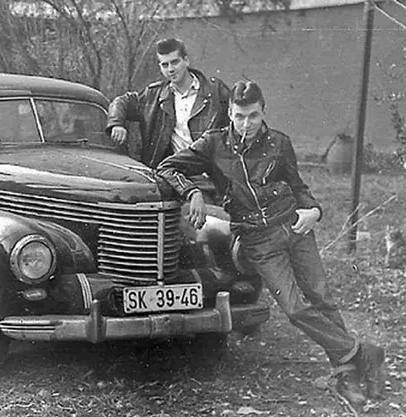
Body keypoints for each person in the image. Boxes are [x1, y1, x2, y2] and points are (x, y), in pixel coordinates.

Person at [156, 81, 385, 410]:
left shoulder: (279, 143)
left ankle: (346, 371)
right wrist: (191, 192)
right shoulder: (213, 145)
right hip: (258, 239)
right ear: (230, 114)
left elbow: (297, 185)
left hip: (294, 226)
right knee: (294, 308)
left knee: (321, 296)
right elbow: (168, 167)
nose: (246, 124)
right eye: (239, 116)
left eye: (253, 116)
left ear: (263, 112)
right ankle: (363, 353)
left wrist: (314, 210)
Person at [106, 38, 230, 202]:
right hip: (175, 177)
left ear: (186, 60)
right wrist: (116, 123)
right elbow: (121, 101)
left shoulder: (216, 93)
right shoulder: (155, 96)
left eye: (175, 62)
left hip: (212, 177)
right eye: (165, 65)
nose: (170, 69)